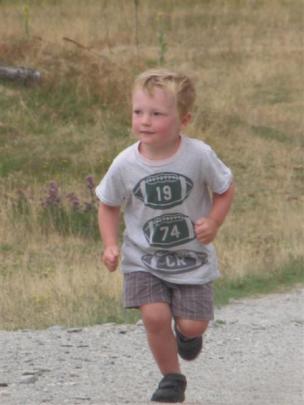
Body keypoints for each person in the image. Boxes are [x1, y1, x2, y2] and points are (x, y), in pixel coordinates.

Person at [95, 68, 235, 403]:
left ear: (183, 120)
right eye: (138, 112)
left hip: (192, 258)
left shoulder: (199, 155)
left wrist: (214, 221)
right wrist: (111, 244)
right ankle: (172, 379)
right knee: (154, 315)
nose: (145, 120)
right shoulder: (125, 163)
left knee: (193, 326)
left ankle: (186, 336)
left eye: (157, 114)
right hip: (143, 258)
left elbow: (225, 188)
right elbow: (108, 204)